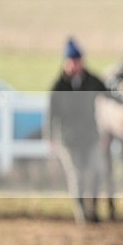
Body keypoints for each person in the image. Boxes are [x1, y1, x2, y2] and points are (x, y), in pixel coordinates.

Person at [48, 37, 108, 224]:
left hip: (90, 136)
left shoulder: (92, 81)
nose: (76, 65)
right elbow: (51, 114)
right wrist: (50, 137)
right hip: (69, 139)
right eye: (72, 61)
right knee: (77, 175)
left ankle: (94, 210)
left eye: (78, 61)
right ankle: (81, 212)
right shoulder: (59, 86)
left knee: (96, 171)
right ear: (66, 62)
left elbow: (110, 94)